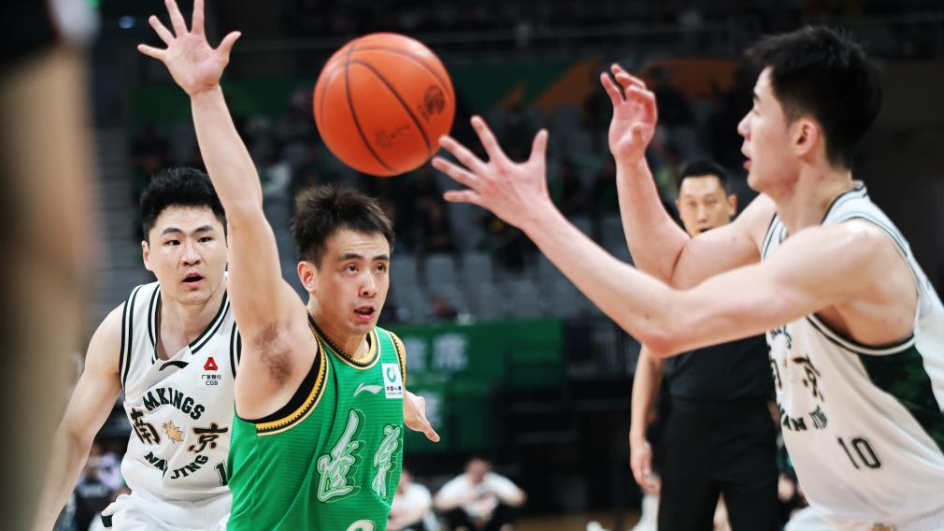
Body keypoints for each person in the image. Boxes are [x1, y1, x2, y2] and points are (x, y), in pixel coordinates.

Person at [432, 26, 943, 530]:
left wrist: (536, 216)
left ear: (803, 136)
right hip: (847, 518)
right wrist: (630, 163)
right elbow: (675, 270)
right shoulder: (771, 217)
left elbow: (667, 324)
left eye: (757, 110)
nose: (742, 126)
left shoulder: (852, 248)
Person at [137, 1, 439, 529]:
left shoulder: (390, 352)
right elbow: (243, 211)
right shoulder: (283, 346)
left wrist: (400, 402)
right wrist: (205, 94)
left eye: (380, 267)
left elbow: (363, 392)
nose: (370, 285)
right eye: (350, 267)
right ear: (308, 277)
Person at [34, 168, 237, 531]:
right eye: (173, 242)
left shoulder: (256, 320)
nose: (190, 256)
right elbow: (75, 434)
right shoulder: (121, 328)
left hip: (237, 505)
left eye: (204, 238)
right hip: (150, 510)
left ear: (228, 245)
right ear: (147, 255)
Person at [629, 161, 779, 531]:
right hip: (688, 425)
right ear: (679, 210)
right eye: (692, 204)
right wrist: (637, 436)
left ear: (731, 205)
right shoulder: (669, 275)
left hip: (748, 424)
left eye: (711, 202)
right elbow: (651, 360)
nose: (702, 214)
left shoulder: (762, 266)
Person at [434, 457, 526, 531]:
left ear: (487, 468)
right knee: (455, 516)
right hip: (467, 521)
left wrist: (498, 495)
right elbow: (437, 502)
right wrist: (462, 499)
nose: (478, 473)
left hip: (492, 520)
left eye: (481, 470)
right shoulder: (459, 483)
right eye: (475, 470)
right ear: (468, 469)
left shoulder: (495, 481)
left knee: (506, 514)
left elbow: (521, 498)